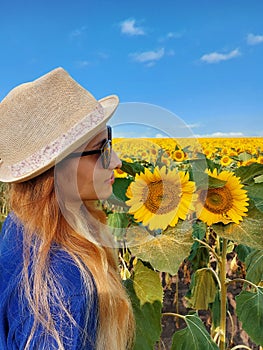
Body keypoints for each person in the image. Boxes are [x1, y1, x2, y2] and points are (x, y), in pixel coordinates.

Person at [0, 67, 135, 349]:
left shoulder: (19, 223)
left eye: (111, 139)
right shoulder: (65, 285)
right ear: (55, 172)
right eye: (102, 149)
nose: (117, 161)